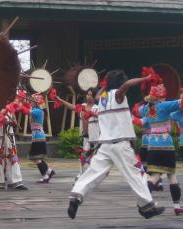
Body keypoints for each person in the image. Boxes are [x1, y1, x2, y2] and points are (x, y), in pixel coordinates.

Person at [68, 70, 165, 220]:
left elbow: (103, 91)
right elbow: (127, 84)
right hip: (120, 143)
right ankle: (147, 207)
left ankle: (76, 195)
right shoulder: (118, 96)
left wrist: (105, 85)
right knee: (134, 175)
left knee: (93, 172)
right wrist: (145, 78)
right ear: (119, 84)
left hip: (105, 145)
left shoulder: (102, 98)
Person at [139, 78, 183, 216]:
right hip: (166, 145)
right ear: (162, 97)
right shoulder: (165, 105)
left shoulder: (145, 109)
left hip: (152, 146)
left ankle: (145, 200)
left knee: (154, 176)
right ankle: (176, 205)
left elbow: (138, 113)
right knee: (172, 175)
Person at [55, 88, 100, 175]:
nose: (88, 96)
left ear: (94, 97)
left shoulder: (96, 108)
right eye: (88, 94)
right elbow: (72, 107)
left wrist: (92, 113)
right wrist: (60, 100)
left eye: (91, 95)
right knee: (88, 159)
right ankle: (85, 175)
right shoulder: (82, 106)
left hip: (94, 138)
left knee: (84, 158)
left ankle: (82, 176)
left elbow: (102, 116)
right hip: (85, 138)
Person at [0, 110, 27, 190]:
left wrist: (10, 122)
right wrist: (0, 121)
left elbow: (15, 123)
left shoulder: (10, 108)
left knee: (12, 157)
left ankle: (15, 181)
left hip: (9, 135)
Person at [28, 94, 55, 183]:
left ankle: (45, 175)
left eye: (32, 101)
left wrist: (18, 103)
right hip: (38, 136)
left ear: (37, 102)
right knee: (37, 157)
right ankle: (49, 171)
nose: (30, 102)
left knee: (35, 157)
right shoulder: (36, 110)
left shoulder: (38, 111)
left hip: (38, 137)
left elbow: (26, 111)